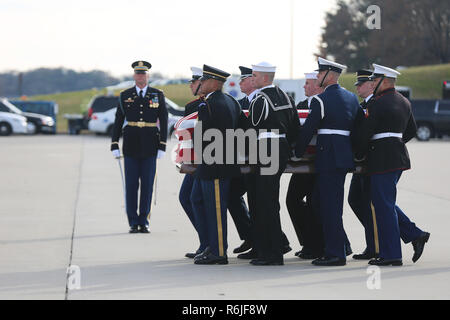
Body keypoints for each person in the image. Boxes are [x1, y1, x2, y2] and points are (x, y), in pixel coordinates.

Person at [358, 64, 430, 266]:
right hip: (397, 157)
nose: (371, 83)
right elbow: (411, 130)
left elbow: (365, 133)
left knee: (383, 205)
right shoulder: (404, 101)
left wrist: (357, 153)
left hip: (381, 160)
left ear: (385, 81)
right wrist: (394, 144)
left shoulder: (377, 103)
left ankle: (392, 255)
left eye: (374, 80)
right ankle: (416, 235)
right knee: (384, 202)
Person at [295, 57, 360, 266]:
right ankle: (335, 247)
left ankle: (336, 254)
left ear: (329, 76)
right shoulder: (351, 98)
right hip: (343, 157)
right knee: (323, 202)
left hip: (328, 158)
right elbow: (358, 129)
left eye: (320, 73)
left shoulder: (321, 100)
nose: (318, 76)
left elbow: (308, 130)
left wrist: (296, 152)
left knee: (329, 206)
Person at [245, 62, 299, 266]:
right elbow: (294, 128)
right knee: (269, 201)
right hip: (281, 148)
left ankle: (272, 253)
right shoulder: (286, 97)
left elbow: (253, 129)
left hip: (266, 149)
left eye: (255, 76)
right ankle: (268, 248)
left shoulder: (260, 99)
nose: (252, 79)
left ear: (265, 78)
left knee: (265, 202)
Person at [190, 64, 242, 265]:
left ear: (214, 83)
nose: (200, 83)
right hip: (219, 162)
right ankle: (212, 246)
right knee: (206, 205)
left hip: (215, 164)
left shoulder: (210, 104)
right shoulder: (229, 101)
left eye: (204, 80)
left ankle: (219, 252)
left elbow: (201, 136)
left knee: (217, 210)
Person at [111, 60, 168, 233]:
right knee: (131, 185)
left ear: (148, 76)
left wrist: (162, 145)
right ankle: (132, 222)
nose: (140, 76)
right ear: (134, 75)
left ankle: (144, 221)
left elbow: (164, 120)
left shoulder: (157, 94)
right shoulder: (125, 95)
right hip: (131, 145)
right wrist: (114, 143)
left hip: (151, 145)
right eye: (138, 73)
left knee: (148, 185)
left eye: (143, 73)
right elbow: (118, 120)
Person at [286, 71, 324, 259]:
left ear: (318, 86)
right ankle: (309, 242)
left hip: (319, 161)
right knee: (293, 200)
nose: (304, 86)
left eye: (308, 83)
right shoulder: (300, 106)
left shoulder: (324, 104)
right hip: (302, 164)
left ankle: (317, 245)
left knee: (316, 204)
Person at [179, 67, 208, 258]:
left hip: (209, 160)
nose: (191, 85)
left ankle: (207, 244)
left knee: (195, 199)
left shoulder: (215, 104)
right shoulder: (191, 106)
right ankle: (204, 241)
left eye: (194, 82)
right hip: (195, 161)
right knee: (186, 198)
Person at [348, 69, 377, 260]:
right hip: (361, 162)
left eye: (361, 84)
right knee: (356, 200)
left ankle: (374, 245)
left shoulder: (376, 104)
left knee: (374, 205)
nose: (357, 87)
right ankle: (373, 243)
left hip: (371, 161)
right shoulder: (363, 105)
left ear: (371, 84)